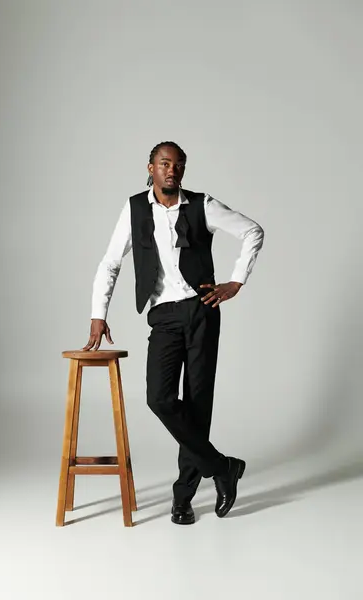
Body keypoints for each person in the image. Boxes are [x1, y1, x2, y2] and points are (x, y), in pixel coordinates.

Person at [83, 141, 264, 525]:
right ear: (150, 167)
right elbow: (111, 261)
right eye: (165, 163)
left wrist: (235, 282)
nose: (172, 170)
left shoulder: (202, 205)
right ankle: (222, 467)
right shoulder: (134, 208)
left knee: (197, 406)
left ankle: (182, 499)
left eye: (178, 165)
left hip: (202, 311)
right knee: (160, 398)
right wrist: (99, 314)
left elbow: (252, 231)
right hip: (163, 315)